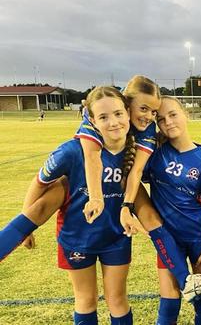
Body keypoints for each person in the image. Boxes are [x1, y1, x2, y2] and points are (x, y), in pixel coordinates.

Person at [0, 76, 201, 303]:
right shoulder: (85, 134)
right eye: (143, 108)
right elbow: (91, 159)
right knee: (46, 202)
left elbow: (136, 171)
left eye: (153, 111)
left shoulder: (147, 130)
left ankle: (186, 282)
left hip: (122, 184)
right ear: (125, 103)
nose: (148, 116)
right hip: (82, 185)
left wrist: (127, 206)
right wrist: (96, 198)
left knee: (151, 217)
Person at [7, 86, 134, 324]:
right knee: (86, 299)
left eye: (118, 113)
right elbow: (39, 183)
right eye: (103, 117)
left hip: (116, 237)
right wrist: (27, 226)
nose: (114, 122)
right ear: (92, 121)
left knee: (117, 298)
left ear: (128, 113)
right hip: (76, 238)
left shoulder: (135, 150)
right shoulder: (71, 151)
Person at [147, 96, 201, 325]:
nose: (168, 122)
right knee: (169, 299)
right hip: (168, 238)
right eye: (161, 119)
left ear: (186, 115)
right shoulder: (155, 154)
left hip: (198, 237)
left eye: (173, 115)